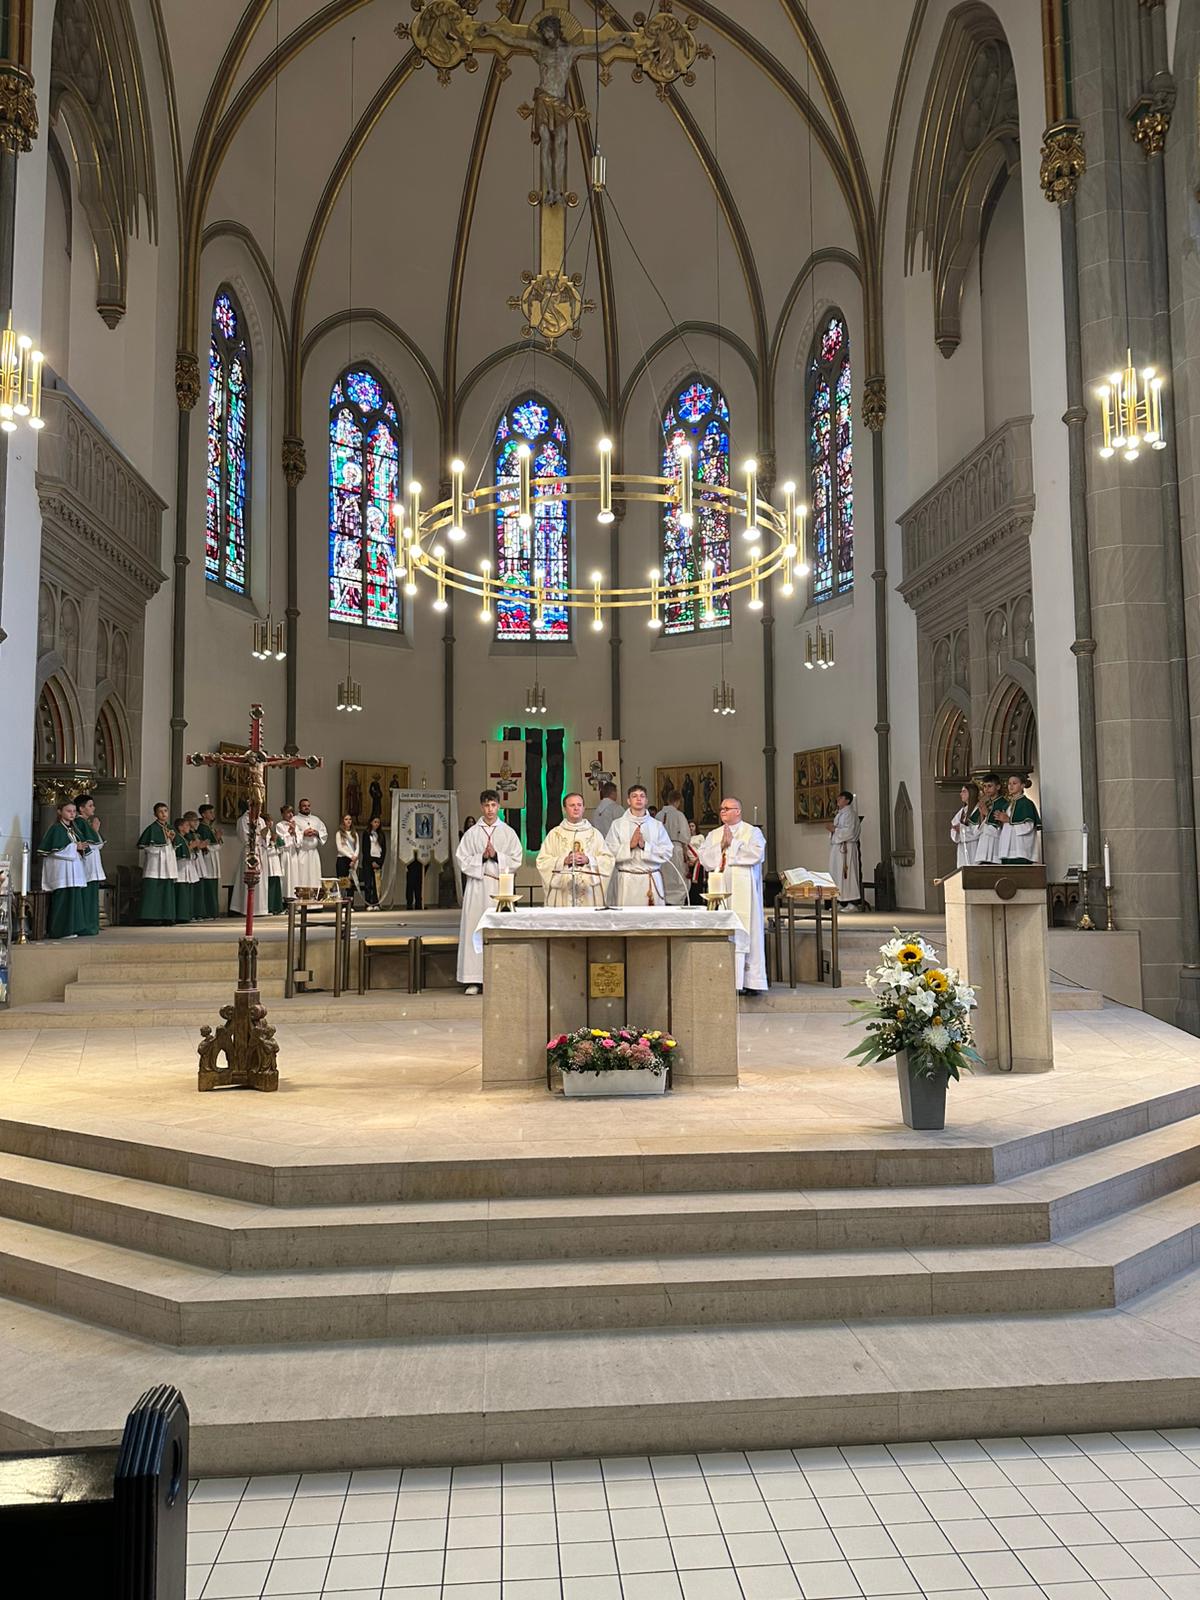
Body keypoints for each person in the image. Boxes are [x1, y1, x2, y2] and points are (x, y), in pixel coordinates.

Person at [697, 796, 768, 994]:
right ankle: (726, 980)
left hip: (745, 891)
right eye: (721, 808)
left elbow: (757, 854)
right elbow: (704, 859)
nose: (723, 811)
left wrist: (733, 843)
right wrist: (721, 845)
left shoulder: (752, 832)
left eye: (727, 808)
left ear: (738, 811)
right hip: (721, 891)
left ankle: (751, 982)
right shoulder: (714, 834)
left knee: (748, 931)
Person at [456, 789, 523, 994]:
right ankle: (473, 979)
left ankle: (499, 977)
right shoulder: (472, 833)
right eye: (486, 805)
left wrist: (496, 856)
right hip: (477, 887)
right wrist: (481, 858)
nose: (490, 809)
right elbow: (461, 859)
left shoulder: (508, 832)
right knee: (474, 929)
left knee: (498, 930)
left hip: (499, 887)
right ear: (481, 807)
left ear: (499, 806)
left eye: (493, 805)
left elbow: (516, 859)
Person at [536, 791, 615, 907]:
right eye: (572, 805)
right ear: (565, 809)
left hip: (588, 892)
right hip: (562, 891)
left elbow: (608, 860)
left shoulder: (594, 834)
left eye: (579, 805)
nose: (576, 808)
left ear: (584, 808)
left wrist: (589, 860)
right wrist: (563, 861)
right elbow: (542, 861)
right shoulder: (555, 834)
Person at [605, 784, 673, 906]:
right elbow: (608, 852)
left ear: (646, 800)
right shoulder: (617, 824)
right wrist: (629, 846)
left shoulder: (657, 825)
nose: (638, 799)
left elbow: (667, 852)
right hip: (627, 880)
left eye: (642, 796)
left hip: (650, 878)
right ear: (628, 801)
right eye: (634, 796)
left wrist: (645, 846)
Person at [38, 799, 91, 939]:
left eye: (74, 811)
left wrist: (81, 848)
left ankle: (72, 928)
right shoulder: (56, 829)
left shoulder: (73, 830)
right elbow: (54, 850)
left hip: (73, 870)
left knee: (73, 899)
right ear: (59, 812)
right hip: (62, 870)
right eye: (68, 811)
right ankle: (60, 930)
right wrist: (75, 847)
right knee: (62, 900)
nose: (72, 814)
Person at [136, 802, 177, 924]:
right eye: (160, 811)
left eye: (165, 811)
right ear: (155, 814)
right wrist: (161, 845)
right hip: (155, 864)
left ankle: (167, 916)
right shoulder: (152, 828)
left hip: (168, 863)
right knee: (153, 889)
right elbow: (145, 846)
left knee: (166, 890)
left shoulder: (170, 828)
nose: (163, 814)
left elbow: (176, 845)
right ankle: (150, 917)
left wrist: (172, 840)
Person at [73, 793, 105, 936]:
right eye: (90, 805)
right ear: (81, 808)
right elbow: (94, 844)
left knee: (92, 896)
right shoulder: (80, 822)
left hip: (92, 863)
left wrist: (94, 831)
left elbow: (98, 844)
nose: (94, 808)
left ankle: (92, 925)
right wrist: (95, 830)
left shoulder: (85, 823)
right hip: (87, 863)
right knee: (87, 896)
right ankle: (87, 926)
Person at [230, 803, 270, 918]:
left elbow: (266, 837)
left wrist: (264, 837)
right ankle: (246, 908)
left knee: (261, 880)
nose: (259, 809)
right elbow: (244, 837)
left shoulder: (261, 820)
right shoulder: (243, 820)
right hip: (249, 851)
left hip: (261, 851)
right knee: (249, 878)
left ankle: (261, 908)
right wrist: (257, 837)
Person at [827, 790, 864, 910]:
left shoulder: (850, 814)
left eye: (841, 798)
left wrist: (834, 830)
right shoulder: (840, 814)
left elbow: (849, 831)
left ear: (847, 800)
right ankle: (841, 901)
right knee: (837, 874)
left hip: (847, 848)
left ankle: (852, 903)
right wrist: (833, 830)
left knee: (848, 875)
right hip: (838, 848)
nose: (838, 799)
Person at [657, 788, 692, 907]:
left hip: (660, 851)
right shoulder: (679, 815)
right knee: (678, 877)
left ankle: (664, 900)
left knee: (664, 877)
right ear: (678, 801)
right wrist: (686, 852)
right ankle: (677, 902)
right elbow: (685, 836)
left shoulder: (658, 815)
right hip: (676, 848)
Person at [997, 774, 1042, 864]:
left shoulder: (1026, 803)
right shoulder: (1007, 805)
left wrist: (1008, 820)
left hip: (1020, 849)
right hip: (1006, 848)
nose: (1011, 786)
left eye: (1014, 783)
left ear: (1022, 785)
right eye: (1009, 783)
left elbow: (1028, 826)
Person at [195, 802, 223, 919]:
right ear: (203, 814)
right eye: (210, 812)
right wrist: (217, 839)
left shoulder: (210, 827)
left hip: (213, 858)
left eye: (213, 812)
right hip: (207, 858)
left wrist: (218, 838)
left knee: (213, 884)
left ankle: (213, 911)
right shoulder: (202, 828)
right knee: (208, 885)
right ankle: (208, 911)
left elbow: (217, 844)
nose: (212, 814)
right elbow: (207, 846)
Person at [294, 797, 328, 891]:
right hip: (301, 852)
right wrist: (303, 833)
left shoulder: (316, 819)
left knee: (314, 875)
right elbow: (291, 834)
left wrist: (317, 833)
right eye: (304, 806)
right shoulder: (295, 819)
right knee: (302, 875)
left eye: (308, 806)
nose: (307, 807)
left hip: (314, 853)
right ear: (299, 807)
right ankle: (302, 896)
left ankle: (314, 896)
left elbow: (324, 833)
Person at [972, 773, 1005, 864]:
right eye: (984, 786)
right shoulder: (986, 803)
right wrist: (982, 815)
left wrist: (987, 813)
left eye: (989, 786)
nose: (986, 789)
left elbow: (1000, 828)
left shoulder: (1003, 803)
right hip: (983, 843)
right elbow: (977, 829)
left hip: (995, 844)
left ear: (998, 787)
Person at [949, 782, 982, 870]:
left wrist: (961, 829)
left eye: (964, 791)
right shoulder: (962, 811)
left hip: (974, 847)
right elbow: (954, 825)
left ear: (971, 793)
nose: (961, 794)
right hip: (963, 848)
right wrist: (956, 830)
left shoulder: (979, 810)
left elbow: (978, 831)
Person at [173, 816, 196, 925]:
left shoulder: (184, 838)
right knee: (181, 892)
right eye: (186, 825)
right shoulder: (178, 838)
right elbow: (178, 853)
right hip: (180, 869)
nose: (189, 827)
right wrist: (190, 847)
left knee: (186, 892)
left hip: (186, 868)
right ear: (180, 827)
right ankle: (181, 915)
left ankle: (186, 914)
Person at [261, 811, 285, 914]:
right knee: (269, 884)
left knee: (276, 883)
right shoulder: (263, 834)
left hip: (275, 861)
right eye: (268, 821)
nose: (270, 823)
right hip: (267, 861)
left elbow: (281, 849)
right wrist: (272, 842)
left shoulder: (273, 833)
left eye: (271, 821)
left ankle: (277, 907)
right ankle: (269, 907)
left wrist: (276, 844)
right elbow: (264, 849)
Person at [276, 804, 301, 900]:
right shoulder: (279, 825)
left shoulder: (295, 826)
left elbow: (299, 843)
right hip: (285, 854)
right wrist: (289, 832)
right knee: (285, 875)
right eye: (288, 812)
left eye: (292, 812)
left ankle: (293, 896)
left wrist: (294, 833)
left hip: (293, 854)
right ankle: (284, 897)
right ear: (283, 814)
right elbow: (281, 841)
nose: (291, 815)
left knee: (294, 875)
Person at [362, 815, 386, 909]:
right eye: (375, 822)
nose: (377, 824)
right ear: (371, 822)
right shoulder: (366, 833)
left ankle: (376, 903)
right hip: (368, 862)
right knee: (368, 884)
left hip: (378, 860)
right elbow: (365, 849)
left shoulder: (381, 834)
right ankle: (368, 903)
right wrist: (371, 862)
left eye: (378, 822)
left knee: (377, 884)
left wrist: (379, 862)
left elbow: (384, 849)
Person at [335, 815, 361, 894]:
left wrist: (355, 857)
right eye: (346, 819)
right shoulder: (339, 833)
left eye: (350, 819)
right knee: (343, 882)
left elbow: (357, 847)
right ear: (343, 821)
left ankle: (350, 901)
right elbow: (340, 848)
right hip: (342, 859)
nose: (348, 821)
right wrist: (350, 856)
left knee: (351, 883)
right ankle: (342, 900)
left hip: (353, 860)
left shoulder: (354, 833)